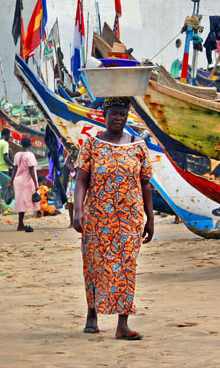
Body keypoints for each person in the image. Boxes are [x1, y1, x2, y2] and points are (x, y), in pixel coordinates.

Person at [73, 97, 154, 340]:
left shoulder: (138, 145)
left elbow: (146, 184)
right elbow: (81, 180)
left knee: (127, 266)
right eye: (114, 114)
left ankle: (123, 324)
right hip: (97, 218)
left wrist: (150, 219)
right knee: (95, 264)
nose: (118, 118)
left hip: (130, 218)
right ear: (104, 115)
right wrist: (79, 211)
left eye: (123, 114)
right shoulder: (91, 145)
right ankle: (92, 315)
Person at [9, 136, 39, 233]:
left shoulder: (17, 154)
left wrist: (10, 182)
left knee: (20, 201)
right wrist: (35, 183)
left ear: (21, 144)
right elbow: (31, 169)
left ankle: (20, 224)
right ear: (30, 145)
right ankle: (20, 224)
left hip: (17, 180)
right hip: (26, 180)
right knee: (25, 202)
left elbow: (14, 169)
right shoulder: (30, 155)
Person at [63, 152, 77, 228]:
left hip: (84, 176)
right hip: (73, 178)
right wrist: (74, 170)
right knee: (71, 201)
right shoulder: (71, 149)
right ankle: (72, 222)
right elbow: (67, 163)